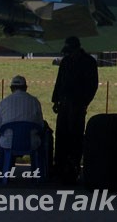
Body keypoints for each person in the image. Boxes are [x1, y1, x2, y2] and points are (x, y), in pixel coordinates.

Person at [51, 36, 98, 183]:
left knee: (76, 136)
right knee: (61, 136)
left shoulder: (89, 62)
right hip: (65, 103)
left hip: (77, 104)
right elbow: (59, 81)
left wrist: (85, 102)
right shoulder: (66, 61)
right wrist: (56, 99)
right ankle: (60, 167)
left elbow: (92, 85)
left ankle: (74, 166)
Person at [0, 75, 44, 168]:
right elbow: (40, 125)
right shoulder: (34, 101)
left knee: (1, 142)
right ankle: (39, 173)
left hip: (8, 142)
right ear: (26, 88)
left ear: (11, 88)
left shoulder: (4, 102)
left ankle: (4, 172)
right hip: (32, 142)